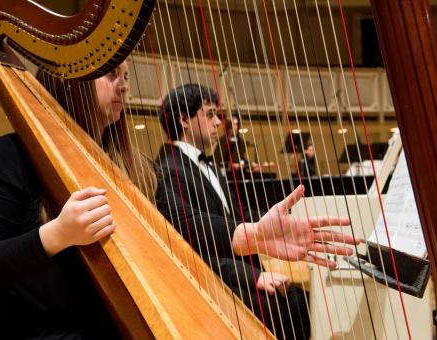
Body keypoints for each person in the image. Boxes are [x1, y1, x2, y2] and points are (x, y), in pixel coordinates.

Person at [0, 61, 155, 339]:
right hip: (35, 330)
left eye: (125, 76)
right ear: (70, 80)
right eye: (112, 75)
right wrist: (59, 234)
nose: (124, 86)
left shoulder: (135, 166)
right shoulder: (12, 154)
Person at [154, 83, 361, 340]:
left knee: (303, 301)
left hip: (235, 271)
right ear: (183, 119)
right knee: (295, 306)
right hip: (213, 277)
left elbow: (238, 214)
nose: (219, 122)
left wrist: (284, 222)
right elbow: (189, 245)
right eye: (209, 114)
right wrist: (254, 276)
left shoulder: (209, 166)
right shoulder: (168, 170)